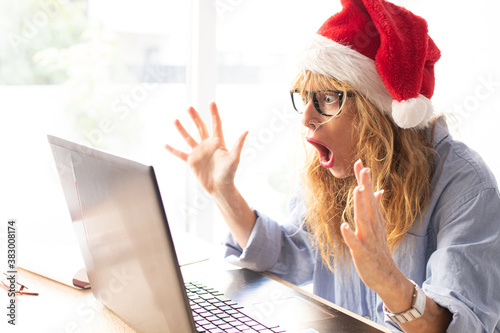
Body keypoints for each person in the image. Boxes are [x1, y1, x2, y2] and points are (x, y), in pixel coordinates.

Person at [165, 0, 500, 332]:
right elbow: (293, 256)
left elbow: (466, 325)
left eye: (327, 98)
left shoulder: (466, 186)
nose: (307, 118)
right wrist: (224, 193)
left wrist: (390, 281)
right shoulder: (334, 170)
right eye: (304, 97)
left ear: (376, 110)